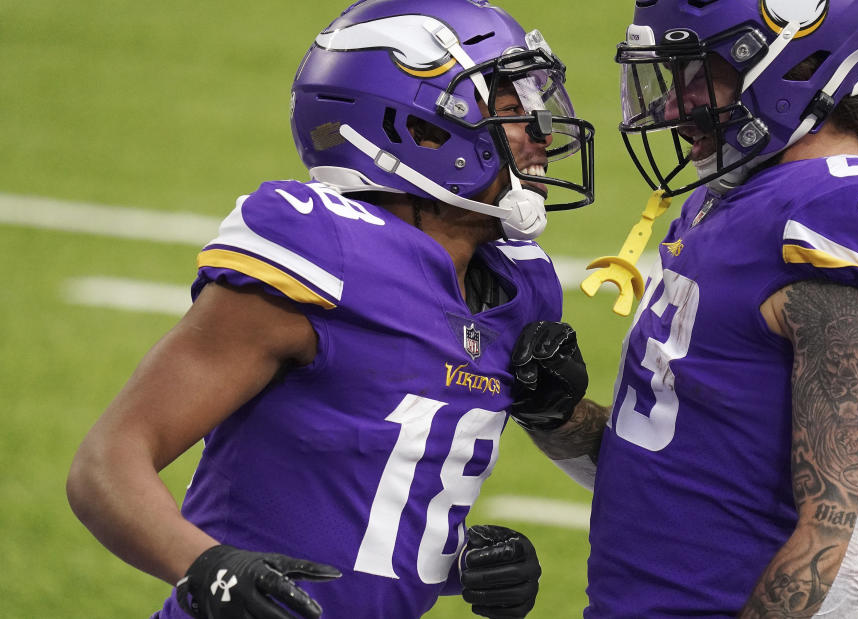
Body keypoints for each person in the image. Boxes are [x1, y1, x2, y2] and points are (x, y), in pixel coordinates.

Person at [66, 1, 595, 618]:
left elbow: (368, 489)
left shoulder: (520, 285)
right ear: (420, 129)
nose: (543, 135)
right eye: (511, 112)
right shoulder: (324, 250)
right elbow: (107, 463)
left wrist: (452, 559)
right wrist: (207, 567)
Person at [508, 0, 858, 616]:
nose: (670, 106)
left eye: (696, 75)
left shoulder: (847, 217)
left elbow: (849, 545)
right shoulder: (733, 198)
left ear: (794, 65)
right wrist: (555, 414)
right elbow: (677, 471)